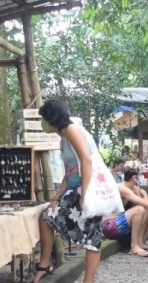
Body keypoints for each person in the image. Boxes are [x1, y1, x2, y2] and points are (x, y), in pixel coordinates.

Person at [34, 100, 104, 283]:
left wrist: (86, 193)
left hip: (89, 189)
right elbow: (69, 173)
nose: (43, 123)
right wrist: (56, 197)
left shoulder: (72, 130)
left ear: (52, 118)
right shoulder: (63, 139)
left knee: (92, 236)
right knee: (47, 216)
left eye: (44, 118)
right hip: (76, 188)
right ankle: (45, 263)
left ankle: (88, 280)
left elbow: (86, 160)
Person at [103, 168, 148, 257]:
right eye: (138, 178)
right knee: (139, 209)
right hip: (110, 225)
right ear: (133, 178)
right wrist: (144, 194)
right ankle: (134, 246)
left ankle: (140, 243)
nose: (138, 182)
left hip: (119, 222)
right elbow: (146, 204)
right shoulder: (122, 188)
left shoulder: (131, 189)